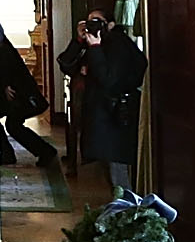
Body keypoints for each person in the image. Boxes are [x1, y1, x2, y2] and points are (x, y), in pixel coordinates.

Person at [57, 11, 146, 195]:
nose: (93, 26)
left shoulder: (118, 43)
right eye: (89, 22)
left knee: (116, 164)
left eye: (97, 21)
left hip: (116, 112)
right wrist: (79, 41)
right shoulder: (89, 43)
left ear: (110, 24)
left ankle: (125, 209)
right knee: (108, 161)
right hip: (100, 111)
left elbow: (108, 79)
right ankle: (119, 208)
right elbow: (66, 64)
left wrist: (96, 49)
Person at [0, 22, 61, 172]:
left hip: (17, 93)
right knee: (10, 124)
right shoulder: (3, 44)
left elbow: (7, 67)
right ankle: (41, 152)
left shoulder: (2, 48)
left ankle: (9, 155)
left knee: (9, 124)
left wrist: (6, 86)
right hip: (15, 91)